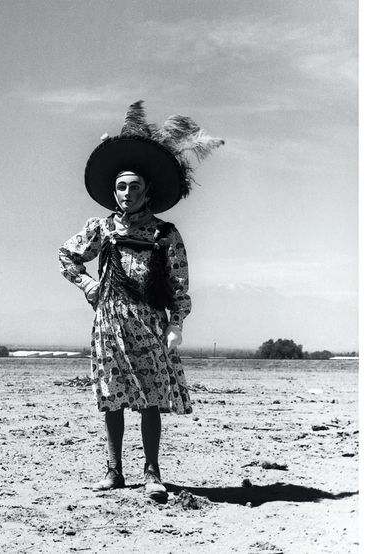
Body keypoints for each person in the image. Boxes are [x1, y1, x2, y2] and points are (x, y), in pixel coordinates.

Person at [58, 101, 224, 501]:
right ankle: (114, 471)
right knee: (111, 396)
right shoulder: (100, 228)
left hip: (149, 323)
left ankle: (152, 473)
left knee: (151, 397)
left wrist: (175, 323)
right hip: (110, 322)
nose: (127, 193)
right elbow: (66, 255)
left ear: (147, 189)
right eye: (120, 186)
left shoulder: (164, 233)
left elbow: (180, 284)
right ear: (112, 191)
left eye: (134, 186)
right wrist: (87, 285)